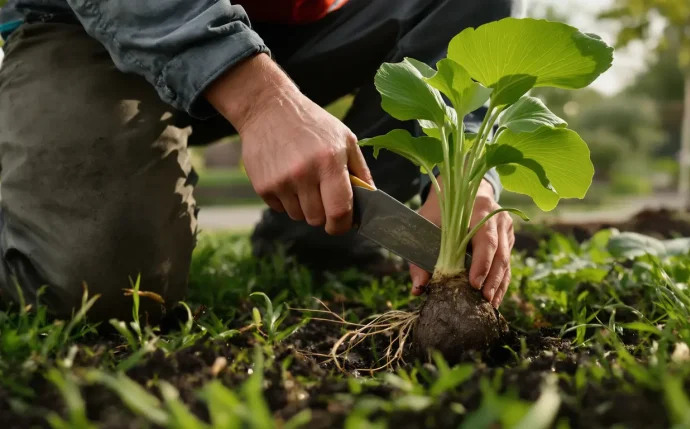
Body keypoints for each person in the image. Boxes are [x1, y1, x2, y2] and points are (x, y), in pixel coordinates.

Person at [0, 0, 521, 323]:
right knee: (93, 293)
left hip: (309, 26)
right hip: (94, 23)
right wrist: (258, 98)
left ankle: (315, 244)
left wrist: (466, 171)